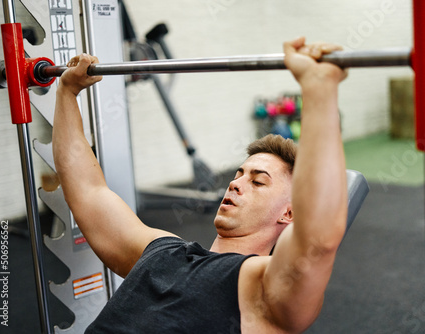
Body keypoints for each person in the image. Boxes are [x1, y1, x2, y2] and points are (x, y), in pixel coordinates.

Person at [53, 36, 348, 333]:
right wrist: (67, 91)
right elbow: (87, 192)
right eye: (238, 175)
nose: (235, 185)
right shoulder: (160, 250)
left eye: (258, 181)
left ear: (289, 213)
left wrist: (318, 89)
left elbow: (318, 239)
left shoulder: (259, 289)